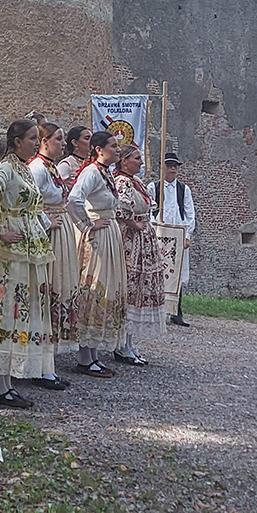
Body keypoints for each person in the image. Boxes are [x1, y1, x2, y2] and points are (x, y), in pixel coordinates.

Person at [0, 116, 53, 403]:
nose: (36, 143)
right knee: (6, 308)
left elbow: (33, 205)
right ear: (17, 142)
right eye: (32, 138)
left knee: (21, 308)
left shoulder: (23, 168)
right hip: (10, 249)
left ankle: (5, 382)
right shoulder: (6, 167)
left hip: (27, 246)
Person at [67, 131, 127, 375]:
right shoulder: (91, 171)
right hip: (98, 237)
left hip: (108, 233)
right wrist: (88, 224)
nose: (117, 149)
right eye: (113, 145)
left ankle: (92, 353)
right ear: (99, 149)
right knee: (94, 288)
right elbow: (74, 199)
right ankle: (84, 356)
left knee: (106, 287)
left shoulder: (105, 172)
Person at [28, 118, 77, 387]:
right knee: (47, 295)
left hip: (59, 234)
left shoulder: (50, 167)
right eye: (58, 138)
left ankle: (47, 362)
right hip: (47, 237)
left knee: (59, 290)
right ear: (44, 141)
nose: (63, 143)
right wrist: (47, 221)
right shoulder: (37, 168)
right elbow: (28, 204)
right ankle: (39, 364)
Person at [113, 142, 165, 360]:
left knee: (139, 289)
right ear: (124, 161)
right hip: (131, 241)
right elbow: (118, 209)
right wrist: (134, 224)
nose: (140, 162)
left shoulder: (135, 182)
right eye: (136, 158)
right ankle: (122, 345)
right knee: (131, 287)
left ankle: (129, 342)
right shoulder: (121, 182)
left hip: (143, 239)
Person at [148, 153, 197, 326]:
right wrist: (154, 228)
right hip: (160, 235)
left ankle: (176, 312)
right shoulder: (154, 187)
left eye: (175, 166)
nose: (173, 169)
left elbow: (190, 214)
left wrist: (187, 235)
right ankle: (154, 311)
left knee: (176, 274)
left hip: (178, 236)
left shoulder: (183, 190)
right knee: (157, 272)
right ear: (163, 168)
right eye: (169, 165)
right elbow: (148, 211)